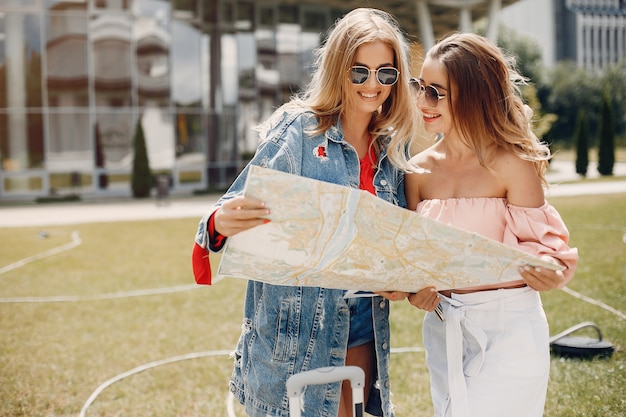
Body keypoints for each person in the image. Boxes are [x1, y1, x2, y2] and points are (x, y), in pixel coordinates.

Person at [192, 8, 420, 417]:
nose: (373, 85)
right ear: (338, 70)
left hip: (361, 329)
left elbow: (395, 250)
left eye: (386, 74)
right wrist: (219, 223)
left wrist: (401, 281)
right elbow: (226, 211)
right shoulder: (298, 132)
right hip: (293, 337)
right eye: (359, 72)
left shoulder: (390, 153)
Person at [402, 33, 579, 417]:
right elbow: (412, 262)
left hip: (511, 331)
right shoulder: (415, 171)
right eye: (420, 88)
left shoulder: (513, 164)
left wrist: (548, 272)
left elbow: (546, 252)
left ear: (473, 95)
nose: (422, 102)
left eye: (436, 93)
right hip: (444, 330)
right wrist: (416, 292)